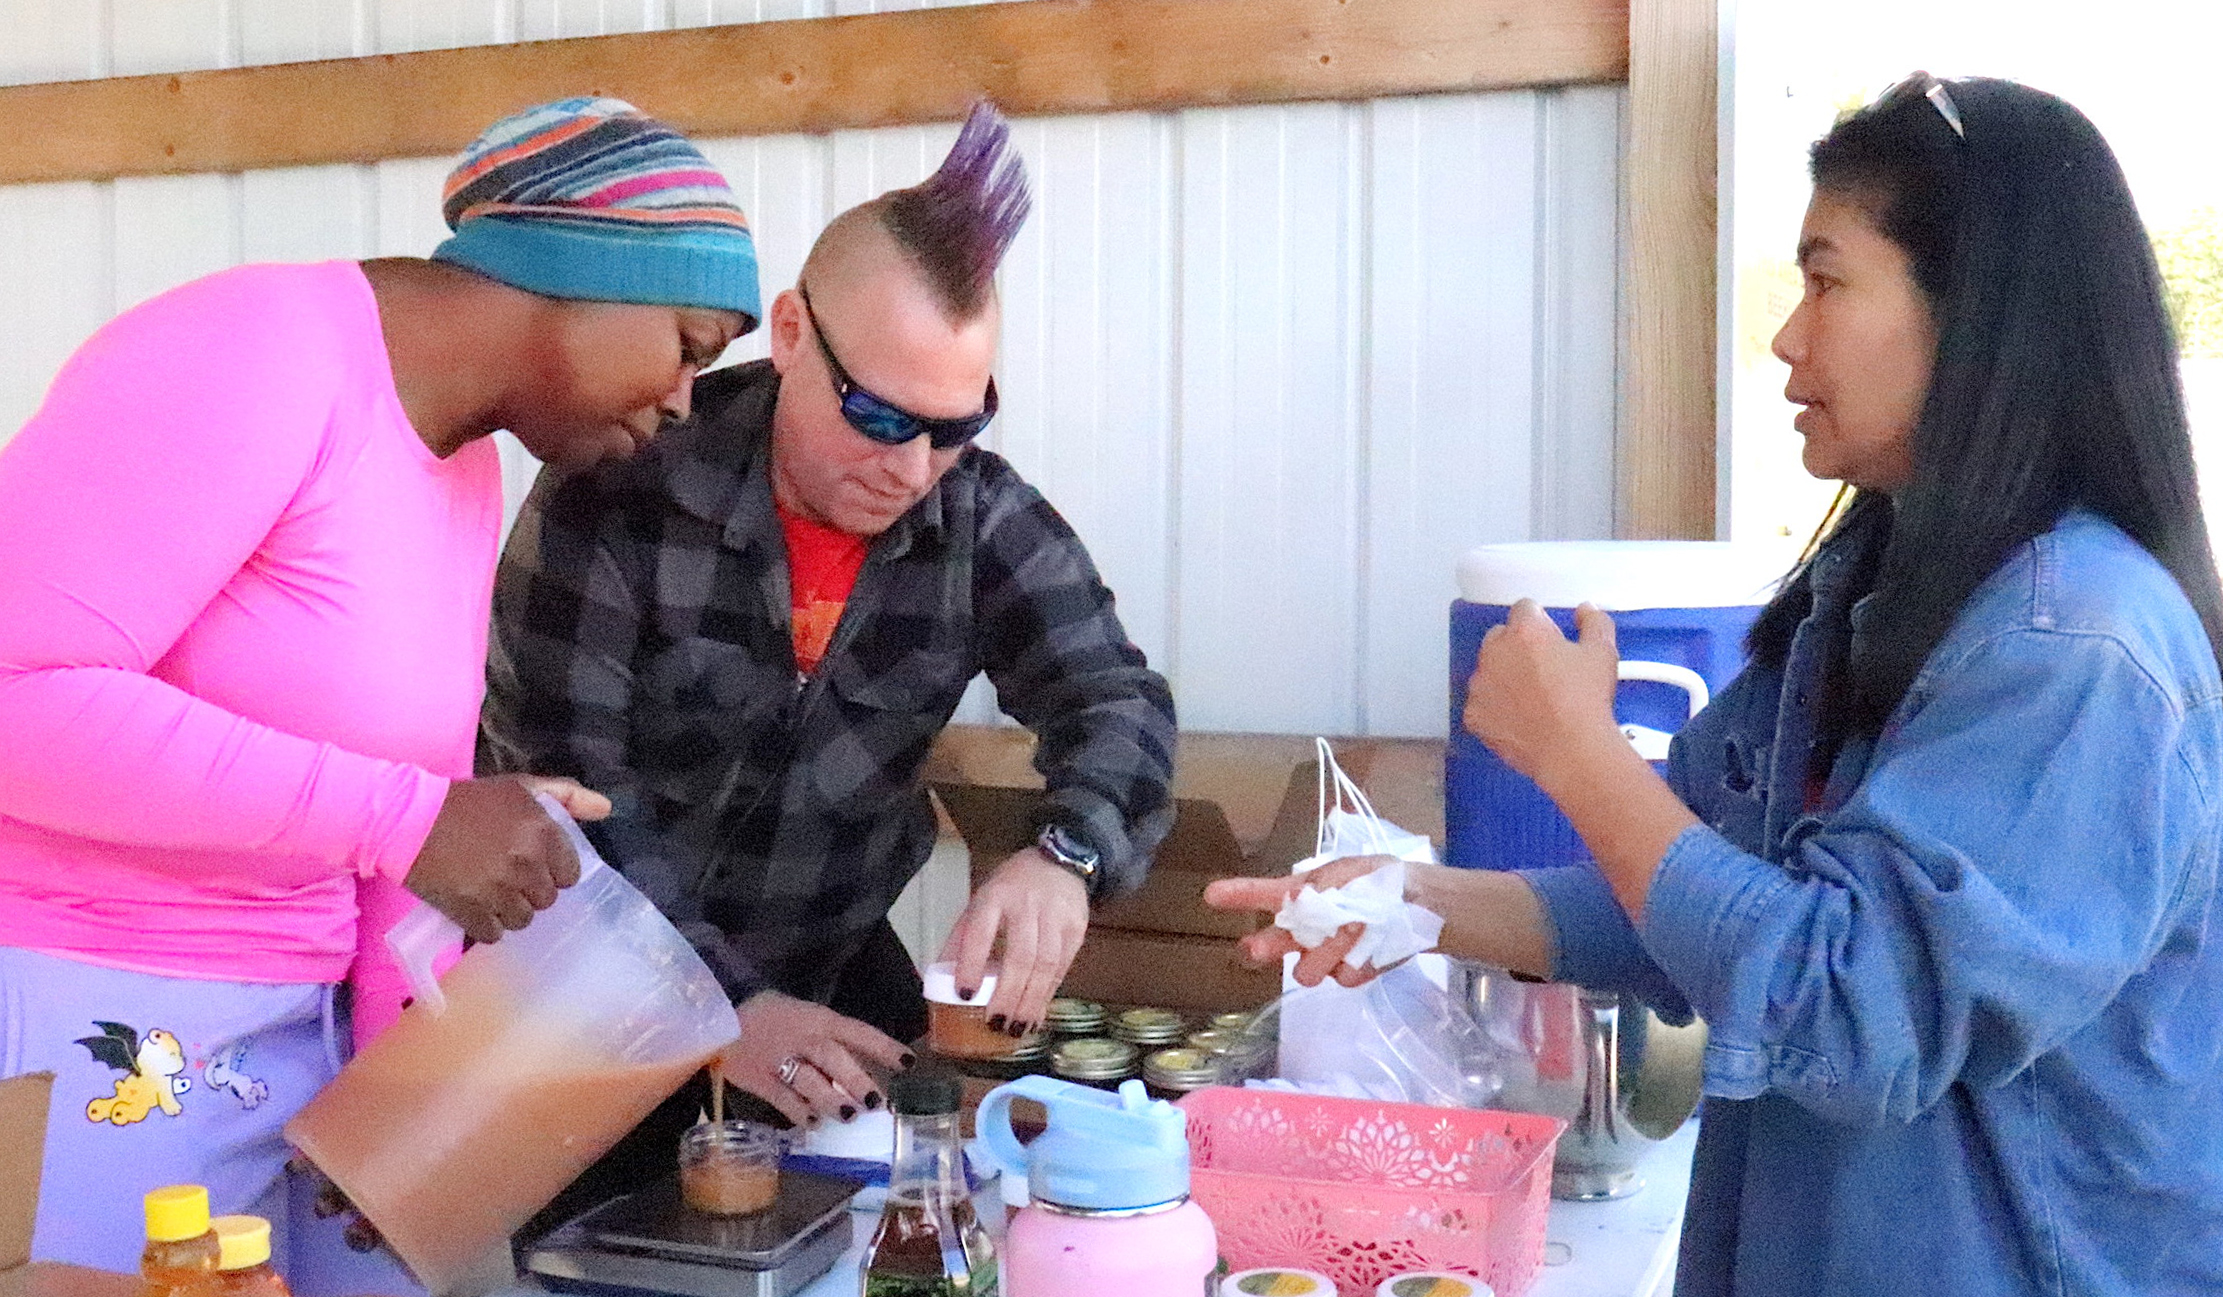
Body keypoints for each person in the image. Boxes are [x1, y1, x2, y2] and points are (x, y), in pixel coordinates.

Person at [1208, 75, 2223, 1295]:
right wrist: (1416, 905)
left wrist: (1578, 755)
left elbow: (1850, 1011)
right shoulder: (1875, 589)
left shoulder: (2079, 649)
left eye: (1827, 280)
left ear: (1977, 313)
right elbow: (1692, 901)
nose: (1790, 338)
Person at [0, 97, 759, 1292]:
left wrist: (398, 1086)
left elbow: (391, 808)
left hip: (302, 1053)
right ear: (584, 269)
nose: (681, 404)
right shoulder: (257, 352)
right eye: (690, 344)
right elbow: (17, 693)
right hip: (105, 1030)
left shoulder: (461, 470)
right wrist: (406, 816)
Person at [481, 102, 1176, 1213]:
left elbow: (1116, 696)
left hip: (832, 984)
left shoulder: (980, 521)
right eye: (878, 415)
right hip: (598, 1007)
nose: (913, 468)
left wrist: (1069, 852)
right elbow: (569, 805)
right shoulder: (617, 490)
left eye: (956, 427)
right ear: (793, 330)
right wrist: (719, 1007)